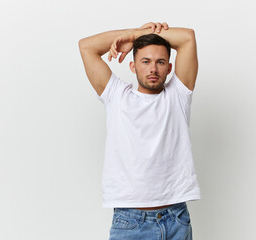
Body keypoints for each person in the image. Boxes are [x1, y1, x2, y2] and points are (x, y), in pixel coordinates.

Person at [78, 22, 201, 240]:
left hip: (176, 219)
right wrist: (134, 34)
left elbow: (187, 38)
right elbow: (86, 46)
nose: (153, 69)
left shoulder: (178, 95)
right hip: (130, 222)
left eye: (160, 62)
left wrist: (138, 35)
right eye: (145, 61)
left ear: (169, 68)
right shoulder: (116, 95)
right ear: (133, 66)